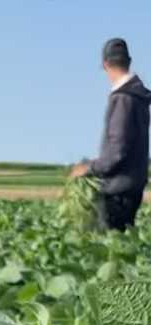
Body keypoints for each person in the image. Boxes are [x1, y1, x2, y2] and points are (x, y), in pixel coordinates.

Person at [71, 38, 151, 231]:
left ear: (106, 64)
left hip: (118, 190)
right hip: (132, 187)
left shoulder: (123, 98)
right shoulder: (138, 97)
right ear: (129, 62)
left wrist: (89, 168)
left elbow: (116, 151)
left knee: (110, 247)